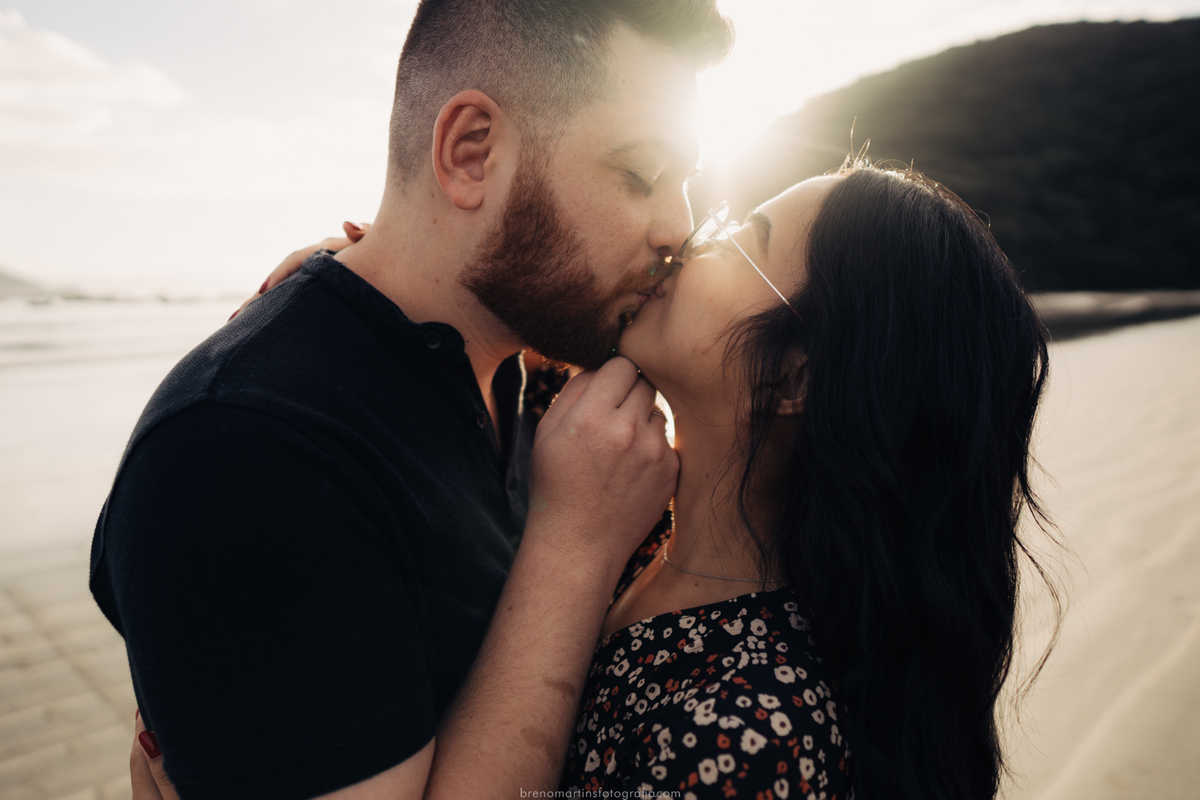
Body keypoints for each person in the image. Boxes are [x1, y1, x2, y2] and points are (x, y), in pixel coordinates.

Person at [134, 161, 1060, 800]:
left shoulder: (742, 732)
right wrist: (356, 297)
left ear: (796, 379)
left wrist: (568, 539)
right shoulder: (643, 520)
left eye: (746, 235)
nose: (690, 236)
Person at [93, 1, 733, 799]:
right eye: (641, 173)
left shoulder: (540, 376)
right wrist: (572, 550)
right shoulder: (246, 453)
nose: (679, 224)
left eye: (685, 182)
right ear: (472, 153)